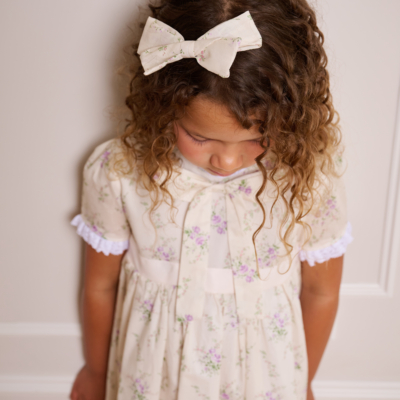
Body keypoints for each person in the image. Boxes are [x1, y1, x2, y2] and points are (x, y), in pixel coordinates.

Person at [69, 1, 353, 399]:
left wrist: (303, 380)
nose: (227, 160)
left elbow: (321, 292)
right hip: (153, 377)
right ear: (164, 104)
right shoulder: (121, 172)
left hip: (263, 380)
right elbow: (100, 285)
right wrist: (97, 372)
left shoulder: (307, 179)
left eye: (256, 139)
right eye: (200, 138)